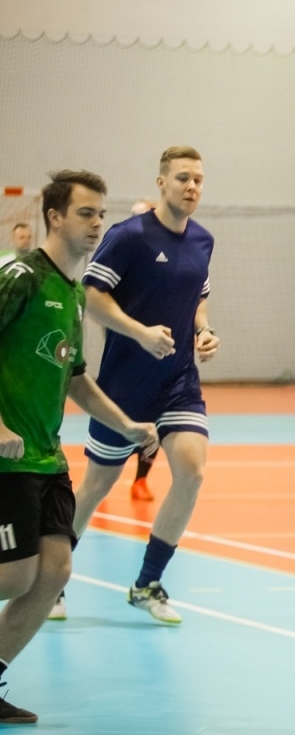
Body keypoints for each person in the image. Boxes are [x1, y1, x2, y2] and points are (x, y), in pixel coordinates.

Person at [0, 171, 157, 723]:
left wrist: (127, 424)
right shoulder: (19, 277)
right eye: (87, 214)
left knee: (55, 572)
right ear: (55, 217)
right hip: (5, 460)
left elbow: (74, 377)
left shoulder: (71, 291)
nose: (97, 224)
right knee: (14, 575)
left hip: (46, 458)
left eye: (101, 215)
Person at [58, 147, 220, 625]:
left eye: (199, 180)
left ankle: (148, 582)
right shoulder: (128, 237)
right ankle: (53, 580)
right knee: (95, 487)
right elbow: (91, 296)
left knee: (191, 470)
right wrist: (140, 332)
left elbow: (199, 300)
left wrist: (204, 332)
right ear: (162, 182)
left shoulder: (203, 242)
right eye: (183, 178)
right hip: (124, 387)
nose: (192, 187)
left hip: (178, 383)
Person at [124, 199, 160, 503]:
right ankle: (105, 474)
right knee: (119, 418)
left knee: (154, 419)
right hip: (126, 353)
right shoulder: (122, 253)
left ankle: (141, 480)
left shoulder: (168, 255)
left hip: (158, 354)